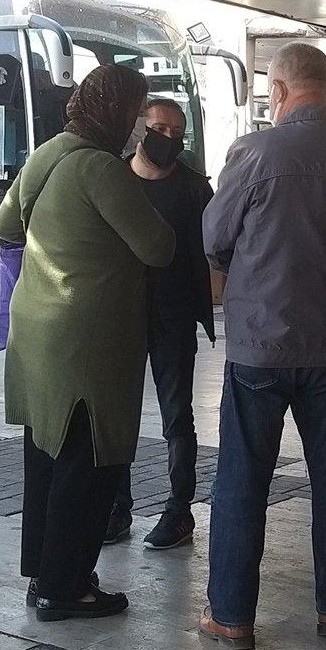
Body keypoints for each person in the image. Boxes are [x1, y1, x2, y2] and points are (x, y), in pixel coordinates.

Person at [201, 42, 326, 650]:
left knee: (242, 480)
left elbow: (214, 236)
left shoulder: (254, 152)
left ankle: (232, 616)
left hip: (260, 346)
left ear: (278, 90)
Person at [0, 65, 174, 621]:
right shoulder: (101, 168)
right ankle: (66, 588)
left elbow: (5, 225)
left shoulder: (49, 152)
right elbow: (158, 247)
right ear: (115, 110)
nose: (138, 127)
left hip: (36, 329)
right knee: (88, 461)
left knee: (47, 455)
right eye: (136, 114)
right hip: (87, 337)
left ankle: (44, 575)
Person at [103, 98, 216, 550]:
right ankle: (117, 508)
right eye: (160, 129)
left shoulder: (195, 189)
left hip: (174, 318)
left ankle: (178, 510)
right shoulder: (113, 180)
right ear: (140, 129)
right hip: (121, 317)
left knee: (177, 416)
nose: (168, 139)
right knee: (117, 417)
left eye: (176, 133)